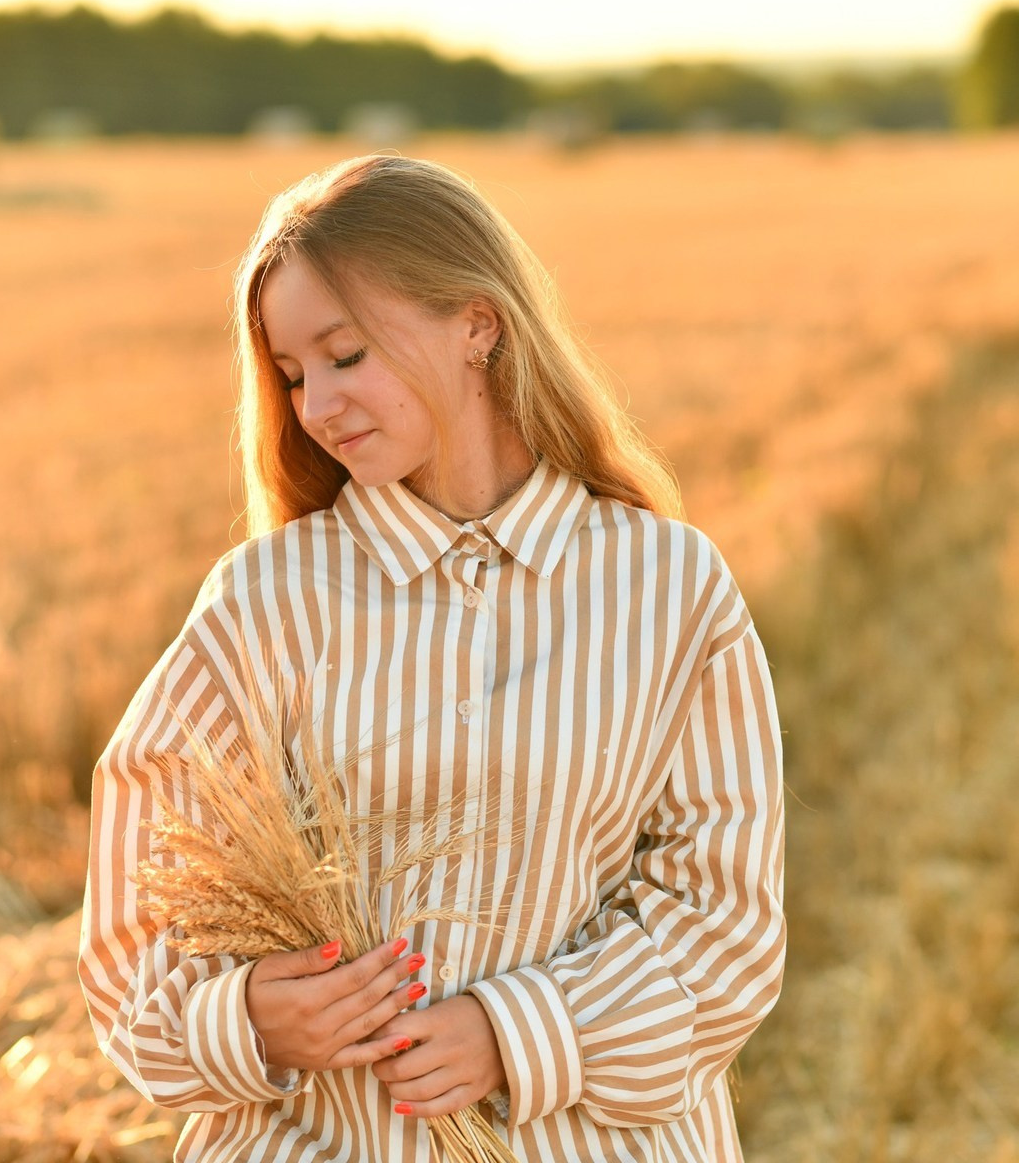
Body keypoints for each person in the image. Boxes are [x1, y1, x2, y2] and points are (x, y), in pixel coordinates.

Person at [78, 154, 786, 1161]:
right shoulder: (262, 601)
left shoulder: (667, 585)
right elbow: (139, 908)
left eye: (346, 353)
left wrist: (518, 1033)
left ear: (476, 321)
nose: (315, 402)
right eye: (291, 374)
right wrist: (245, 1019)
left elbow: (724, 919)